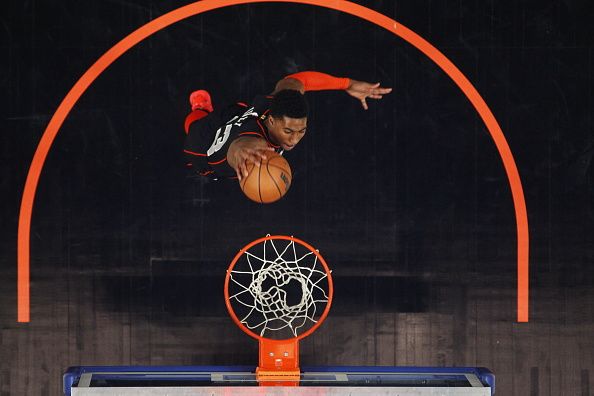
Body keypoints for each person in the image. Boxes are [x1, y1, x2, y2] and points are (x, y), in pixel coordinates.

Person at [183, 71, 392, 181]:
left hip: (239, 115)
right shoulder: (255, 142)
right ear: (272, 121)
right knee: (194, 122)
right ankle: (201, 107)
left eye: (302, 131)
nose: (294, 140)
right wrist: (241, 154)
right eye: (288, 131)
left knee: (233, 112)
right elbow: (240, 146)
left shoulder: (279, 99)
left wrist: (348, 84)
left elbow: (300, 80)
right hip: (205, 146)